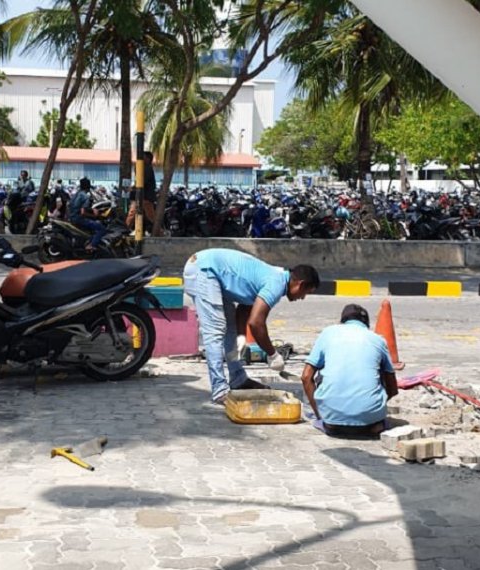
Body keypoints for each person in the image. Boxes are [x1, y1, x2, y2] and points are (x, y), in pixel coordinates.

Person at [183, 249, 320, 403]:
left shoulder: (275, 279)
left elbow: (244, 311)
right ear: (300, 284)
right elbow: (256, 323)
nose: (302, 298)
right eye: (305, 293)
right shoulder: (276, 284)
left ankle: (238, 379)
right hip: (204, 269)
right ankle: (219, 389)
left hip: (209, 270)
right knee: (215, 330)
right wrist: (272, 354)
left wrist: (240, 341)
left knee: (230, 329)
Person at [300, 304, 398, 438]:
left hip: (332, 423)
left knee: (319, 373)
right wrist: (371, 408)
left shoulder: (328, 333)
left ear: (342, 322)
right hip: (370, 425)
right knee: (378, 370)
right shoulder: (378, 340)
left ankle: (325, 416)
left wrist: (320, 415)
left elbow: (306, 377)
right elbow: (393, 388)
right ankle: (369, 417)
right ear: (367, 324)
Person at [69, 177, 105, 251]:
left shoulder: (76, 194)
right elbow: (83, 212)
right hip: (79, 219)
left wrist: (91, 210)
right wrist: (94, 216)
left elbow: (74, 206)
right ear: (88, 187)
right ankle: (91, 245)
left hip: (72, 217)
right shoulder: (85, 197)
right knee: (101, 228)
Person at [126, 151, 157, 231]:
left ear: (148, 159)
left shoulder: (147, 168)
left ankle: (159, 232)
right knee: (133, 213)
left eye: (143, 157)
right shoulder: (144, 168)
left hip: (145, 197)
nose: (141, 159)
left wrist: (133, 188)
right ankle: (126, 229)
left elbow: (142, 181)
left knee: (150, 216)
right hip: (142, 196)